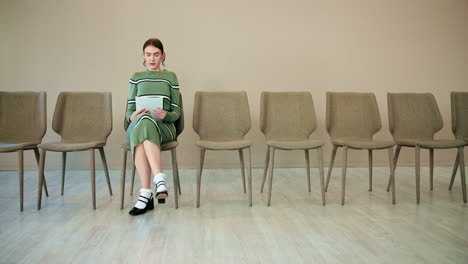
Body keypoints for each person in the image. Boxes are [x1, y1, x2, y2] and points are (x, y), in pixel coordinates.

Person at [125, 38, 181, 216]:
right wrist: (132, 116)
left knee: (145, 127)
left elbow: (176, 111)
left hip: (164, 127)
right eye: (148, 55)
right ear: (143, 56)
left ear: (163, 56)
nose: (152, 58)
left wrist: (167, 115)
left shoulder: (170, 77)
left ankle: (145, 194)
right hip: (139, 123)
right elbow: (129, 112)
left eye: (156, 55)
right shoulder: (136, 78)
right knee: (144, 122)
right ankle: (159, 180)